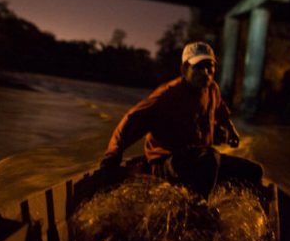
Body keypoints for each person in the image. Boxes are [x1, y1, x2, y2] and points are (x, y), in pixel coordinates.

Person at [100, 41, 263, 199]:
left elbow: (220, 109)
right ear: (184, 69)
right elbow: (131, 120)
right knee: (210, 157)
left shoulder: (212, 89)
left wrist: (230, 129)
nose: (205, 72)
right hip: (166, 162)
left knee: (254, 171)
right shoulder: (167, 95)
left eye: (209, 66)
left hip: (199, 159)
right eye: (198, 67)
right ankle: (197, 206)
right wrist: (112, 156)